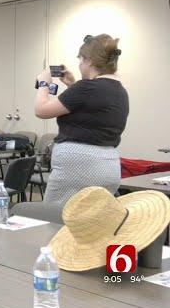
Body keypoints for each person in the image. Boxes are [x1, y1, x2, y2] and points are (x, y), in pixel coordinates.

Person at [34, 34, 129, 206]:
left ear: (90, 61)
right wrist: (72, 84)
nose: (79, 65)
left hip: (77, 165)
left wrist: (43, 84)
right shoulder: (119, 90)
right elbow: (90, 109)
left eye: (81, 60)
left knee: (53, 218)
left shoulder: (86, 88)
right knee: (91, 219)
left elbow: (41, 110)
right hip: (109, 164)